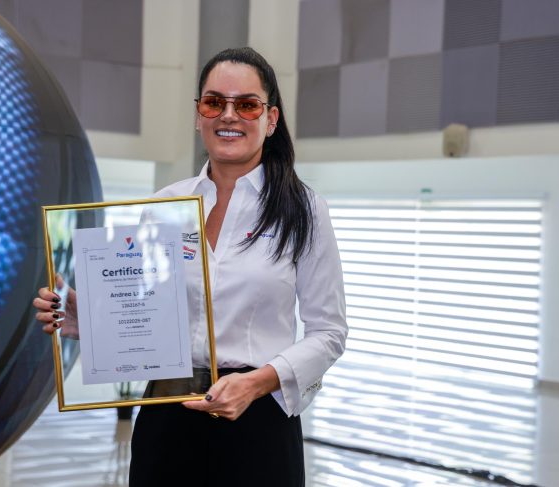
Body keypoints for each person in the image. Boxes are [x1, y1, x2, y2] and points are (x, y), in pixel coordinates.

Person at [33, 47, 347, 486]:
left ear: (270, 119)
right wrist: (89, 320)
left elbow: (329, 333)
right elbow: (147, 320)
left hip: (258, 422)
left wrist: (255, 384)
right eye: (214, 102)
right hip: (167, 418)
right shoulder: (164, 205)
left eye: (247, 105)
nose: (228, 116)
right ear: (199, 115)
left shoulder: (304, 209)